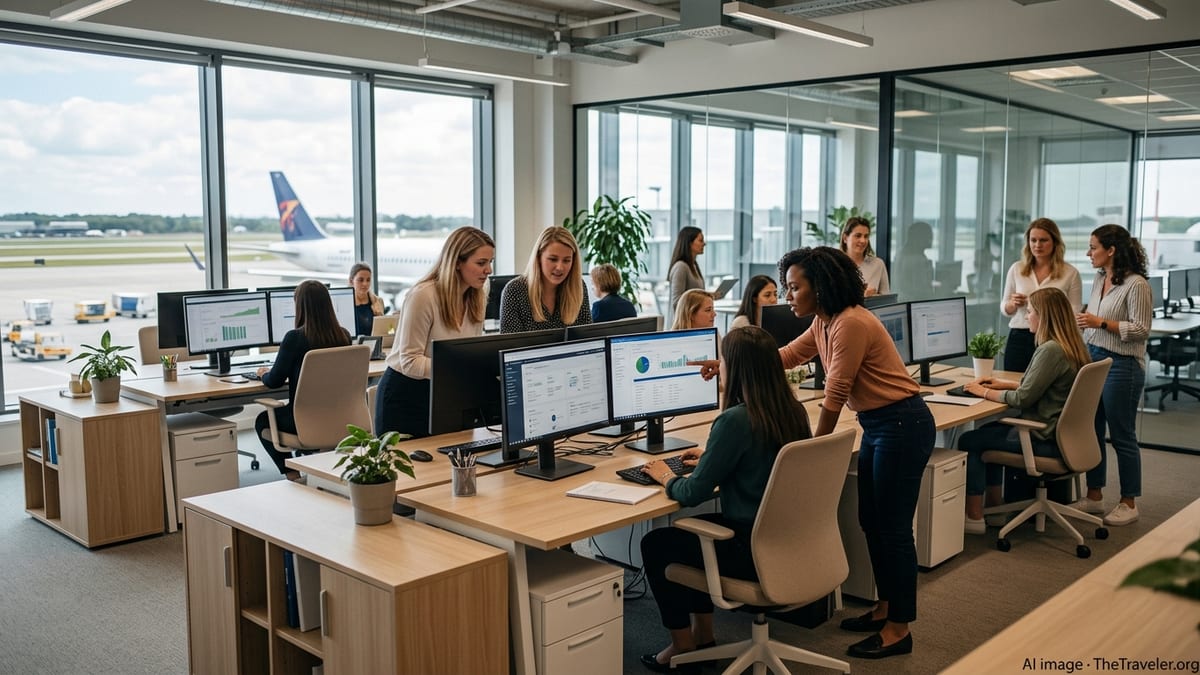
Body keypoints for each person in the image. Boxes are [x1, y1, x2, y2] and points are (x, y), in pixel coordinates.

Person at [774, 246, 933, 659]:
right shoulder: (824, 323)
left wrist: (814, 451)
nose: (787, 295)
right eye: (786, 287)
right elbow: (788, 356)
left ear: (820, 287)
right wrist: (730, 364)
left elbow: (835, 393)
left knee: (893, 529)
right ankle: (885, 608)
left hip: (902, 424)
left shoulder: (849, 323)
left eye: (794, 287)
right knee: (872, 522)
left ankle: (900, 629)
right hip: (881, 425)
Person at [637, 326, 813, 672]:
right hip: (789, 543)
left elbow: (691, 494)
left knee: (657, 543)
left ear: (738, 368)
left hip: (750, 551)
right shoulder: (792, 410)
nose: (719, 366)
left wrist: (665, 475)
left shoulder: (735, 420)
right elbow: (761, 457)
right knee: (696, 535)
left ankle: (682, 647)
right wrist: (712, 456)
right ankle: (704, 637)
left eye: (724, 361)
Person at [958, 287, 1091, 533]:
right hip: (1067, 438)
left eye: (1030, 312)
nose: (1027, 316)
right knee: (989, 432)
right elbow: (1041, 386)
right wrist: (1003, 384)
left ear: (1044, 317)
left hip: (1043, 439)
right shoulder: (1072, 346)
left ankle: (974, 517)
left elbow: (1022, 399)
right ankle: (995, 509)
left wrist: (984, 391)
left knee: (971, 440)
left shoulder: (1050, 350)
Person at [374, 227, 494, 438]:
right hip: (407, 396)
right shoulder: (424, 296)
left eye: (490, 262)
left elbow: (470, 350)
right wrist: (459, 368)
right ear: (457, 262)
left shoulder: (478, 295)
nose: (489, 270)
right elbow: (410, 360)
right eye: (481, 263)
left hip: (449, 393)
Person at [1073, 224, 1152, 527]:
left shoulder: (1137, 285)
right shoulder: (1100, 278)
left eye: (1093, 247)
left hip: (1123, 365)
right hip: (1093, 360)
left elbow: (1142, 329)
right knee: (1091, 431)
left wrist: (1100, 322)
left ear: (1111, 250)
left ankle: (1129, 502)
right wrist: (1086, 325)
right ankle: (1094, 496)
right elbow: (1093, 320)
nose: (1088, 253)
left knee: (1122, 435)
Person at [254, 280, 351, 481]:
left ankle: (293, 475)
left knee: (262, 420)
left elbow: (274, 380)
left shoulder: (295, 338)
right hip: (339, 418)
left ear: (300, 306)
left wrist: (262, 373)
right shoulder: (344, 336)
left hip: (302, 422)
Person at [999, 219, 1082, 372]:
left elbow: (1074, 314)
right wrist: (1012, 304)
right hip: (1020, 337)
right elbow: (1005, 308)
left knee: (1044, 389)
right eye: (1033, 240)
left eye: (1043, 240)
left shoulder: (1070, 273)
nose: (1037, 245)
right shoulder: (1017, 268)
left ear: (1055, 242)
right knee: (1013, 382)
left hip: (1054, 339)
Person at [499, 226, 592, 333]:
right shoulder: (515, 291)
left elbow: (587, 337)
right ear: (538, 257)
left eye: (566, 261)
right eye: (553, 259)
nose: (560, 267)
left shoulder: (578, 287)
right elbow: (510, 345)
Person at [840, 216, 890, 297]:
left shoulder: (878, 264)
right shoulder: (833, 265)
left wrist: (873, 297)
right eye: (858, 236)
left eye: (866, 236)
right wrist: (863, 297)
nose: (863, 241)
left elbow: (887, 299)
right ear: (845, 238)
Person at [668, 226, 705, 317]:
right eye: (700, 240)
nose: (704, 244)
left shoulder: (694, 266)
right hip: (683, 324)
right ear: (689, 243)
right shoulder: (681, 267)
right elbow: (677, 302)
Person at [892, 221, 934, 301]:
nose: (931, 239)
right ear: (920, 238)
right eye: (929, 235)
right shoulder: (916, 259)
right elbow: (922, 289)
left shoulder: (903, 253)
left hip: (905, 299)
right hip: (915, 302)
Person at [349, 261, 385, 337]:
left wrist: (391, 328)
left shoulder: (378, 301)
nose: (365, 284)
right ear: (351, 281)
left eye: (368, 280)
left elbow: (384, 331)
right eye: (361, 280)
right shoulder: (347, 303)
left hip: (374, 344)